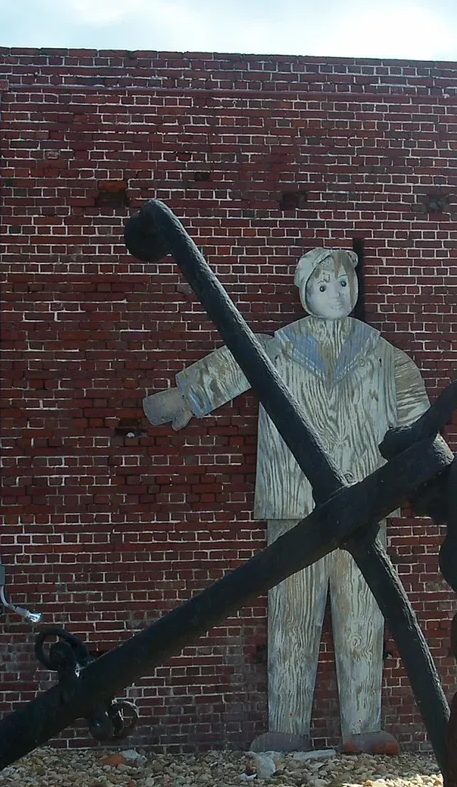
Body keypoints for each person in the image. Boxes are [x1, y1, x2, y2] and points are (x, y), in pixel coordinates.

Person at [143, 248, 428, 753]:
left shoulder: (383, 354)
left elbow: (417, 419)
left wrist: (430, 464)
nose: (335, 294)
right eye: (322, 287)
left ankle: (364, 728)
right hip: (294, 503)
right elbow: (236, 361)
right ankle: (287, 728)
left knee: (363, 617)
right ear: (305, 295)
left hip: (366, 502)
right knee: (292, 621)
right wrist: (184, 398)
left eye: (342, 284)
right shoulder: (280, 347)